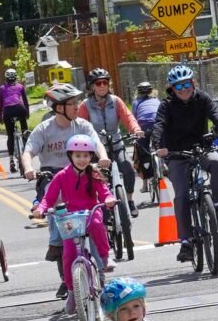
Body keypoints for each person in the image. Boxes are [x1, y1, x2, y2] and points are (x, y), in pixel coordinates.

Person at [22, 83, 107, 299]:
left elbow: (96, 143)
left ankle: (102, 258)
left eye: (77, 102)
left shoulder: (82, 125)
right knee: (57, 209)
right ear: (59, 107)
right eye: (72, 103)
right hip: (54, 177)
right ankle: (61, 259)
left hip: (82, 174)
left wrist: (103, 157)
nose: (77, 106)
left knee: (96, 210)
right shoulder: (44, 128)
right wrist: (29, 168)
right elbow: (28, 151)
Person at [151, 64, 218, 264]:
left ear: (193, 83)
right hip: (177, 153)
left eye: (187, 84)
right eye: (179, 87)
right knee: (181, 196)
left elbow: (217, 117)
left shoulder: (203, 99)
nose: (184, 89)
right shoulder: (166, 106)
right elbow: (159, 125)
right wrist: (157, 146)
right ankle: (186, 242)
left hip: (201, 148)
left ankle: (217, 206)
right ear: (172, 89)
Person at [33, 134, 116, 306]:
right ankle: (72, 291)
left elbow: (104, 191)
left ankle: (104, 257)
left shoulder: (94, 174)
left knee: (96, 225)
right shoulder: (62, 176)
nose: (82, 159)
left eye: (86, 156)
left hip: (91, 211)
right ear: (70, 156)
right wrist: (40, 209)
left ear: (91, 156)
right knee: (68, 254)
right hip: (70, 217)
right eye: (78, 155)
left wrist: (108, 199)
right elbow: (48, 198)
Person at [78, 68, 144, 219]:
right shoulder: (85, 105)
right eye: (98, 83)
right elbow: (80, 126)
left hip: (116, 143)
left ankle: (129, 199)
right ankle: (98, 205)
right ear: (92, 86)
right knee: (95, 176)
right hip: (96, 148)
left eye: (105, 82)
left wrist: (136, 129)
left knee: (127, 168)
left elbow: (128, 117)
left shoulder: (115, 101)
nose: (102, 86)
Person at [0, 68, 31, 162]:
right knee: (25, 130)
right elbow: (25, 101)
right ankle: (26, 151)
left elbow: (0, 104)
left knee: (10, 136)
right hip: (20, 109)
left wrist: (0, 117)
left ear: (6, 78)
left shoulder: (2, 88)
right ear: (16, 77)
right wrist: (27, 114)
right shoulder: (20, 86)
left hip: (8, 111)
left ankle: (11, 158)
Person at [132, 81, 161, 187]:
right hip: (157, 125)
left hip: (143, 126)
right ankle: (163, 162)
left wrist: (133, 132)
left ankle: (144, 184)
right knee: (161, 145)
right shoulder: (156, 100)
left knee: (142, 153)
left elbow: (133, 119)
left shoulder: (136, 102)